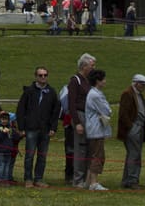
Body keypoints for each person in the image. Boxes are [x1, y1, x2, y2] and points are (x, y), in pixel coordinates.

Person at [16, 65, 61, 188]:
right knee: (29, 155)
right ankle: (28, 178)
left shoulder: (51, 92)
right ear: (36, 76)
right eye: (40, 75)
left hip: (45, 129)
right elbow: (21, 110)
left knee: (42, 156)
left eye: (45, 75)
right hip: (31, 128)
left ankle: (39, 178)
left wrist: (53, 128)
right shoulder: (29, 91)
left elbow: (55, 112)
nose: (43, 77)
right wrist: (21, 127)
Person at [66, 52, 97, 188]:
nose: (94, 68)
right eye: (92, 65)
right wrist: (77, 122)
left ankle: (86, 178)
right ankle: (78, 179)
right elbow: (71, 103)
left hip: (89, 117)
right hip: (80, 115)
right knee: (80, 148)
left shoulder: (88, 81)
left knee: (88, 148)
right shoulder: (75, 81)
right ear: (84, 66)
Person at [118, 73, 145, 189]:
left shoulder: (138, 94)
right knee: (134, 155)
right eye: (142, 85)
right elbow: (123, 114)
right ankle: (132, 180)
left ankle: (127, 180)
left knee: (132, 154)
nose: (144, 87)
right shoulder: (127, 94)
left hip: (139, 126)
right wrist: (131, 127)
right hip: (133, 127)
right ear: (136, 83)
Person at [84, 68, 111, 191]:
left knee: (95, 155)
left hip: (96, 129)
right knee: (98, 156)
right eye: (103, 79)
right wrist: (108, 110)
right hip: (96, 130)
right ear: (97, 81)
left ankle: (88, 181)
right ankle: (94, 183)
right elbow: (106, 110)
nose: (105, 81)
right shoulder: (94, 95)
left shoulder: (96, 93)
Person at [0, 109, 19, 186]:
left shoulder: (10, 128)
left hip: (8, 151)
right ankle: (0, 179)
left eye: (6, 119)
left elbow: (16, 137)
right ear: (0, 120)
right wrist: (3, 133)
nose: (4, 121)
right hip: (0, 151)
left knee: (7, 165)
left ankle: (6, 179)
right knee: (1, 165)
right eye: (3, 119)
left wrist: (18, 133)